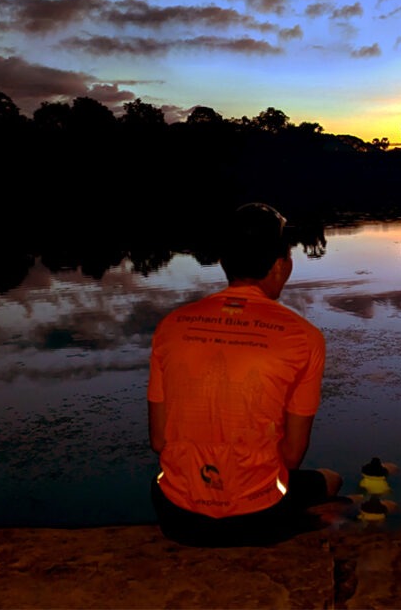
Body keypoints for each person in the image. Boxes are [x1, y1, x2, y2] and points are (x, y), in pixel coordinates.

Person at [147, 202, 342, 547]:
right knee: (331, 481)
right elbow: (292, 455)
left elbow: (159, 441)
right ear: (282, 266)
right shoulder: (303, 337)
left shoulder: (171, 326)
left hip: (177, 516)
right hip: (258, 518)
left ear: (224, 262)